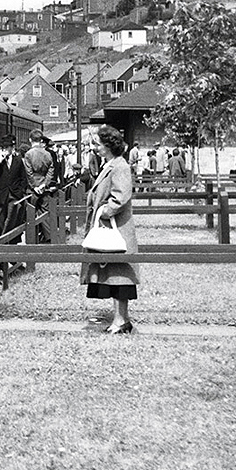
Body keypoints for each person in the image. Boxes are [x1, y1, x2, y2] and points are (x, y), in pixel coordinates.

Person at [81, 125, 139, 334]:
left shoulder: (119, 166)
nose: (95, 148)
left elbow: (121, 196)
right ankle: (120, 318)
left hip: (117, 230)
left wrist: (107, 209)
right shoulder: (111, 165)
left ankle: (121, 320)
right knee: (114, 276)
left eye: (98, 144)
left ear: (108, 146)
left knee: (120, 276)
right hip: (110, 229)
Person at [0, 133, 29, 236]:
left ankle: (9, 240)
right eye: (3, 148)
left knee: (12, 219)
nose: (5, 150)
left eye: (7, 147)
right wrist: (0, 160)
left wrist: (21, 191)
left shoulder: (17, 160)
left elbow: (23, 178)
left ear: (12, 148)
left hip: (14, 194)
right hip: (0, 195)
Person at [22, 129, 55, 243]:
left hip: (32, 189)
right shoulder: (47, 154)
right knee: (45, 213)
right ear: (41, 140)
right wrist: (44, 184)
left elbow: (28, 172)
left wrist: (34, 186)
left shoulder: (28, 154)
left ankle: (33, 238)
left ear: (30, 140)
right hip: (44, 187)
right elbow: (51, 170)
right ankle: (49, 237)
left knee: (31, 213)